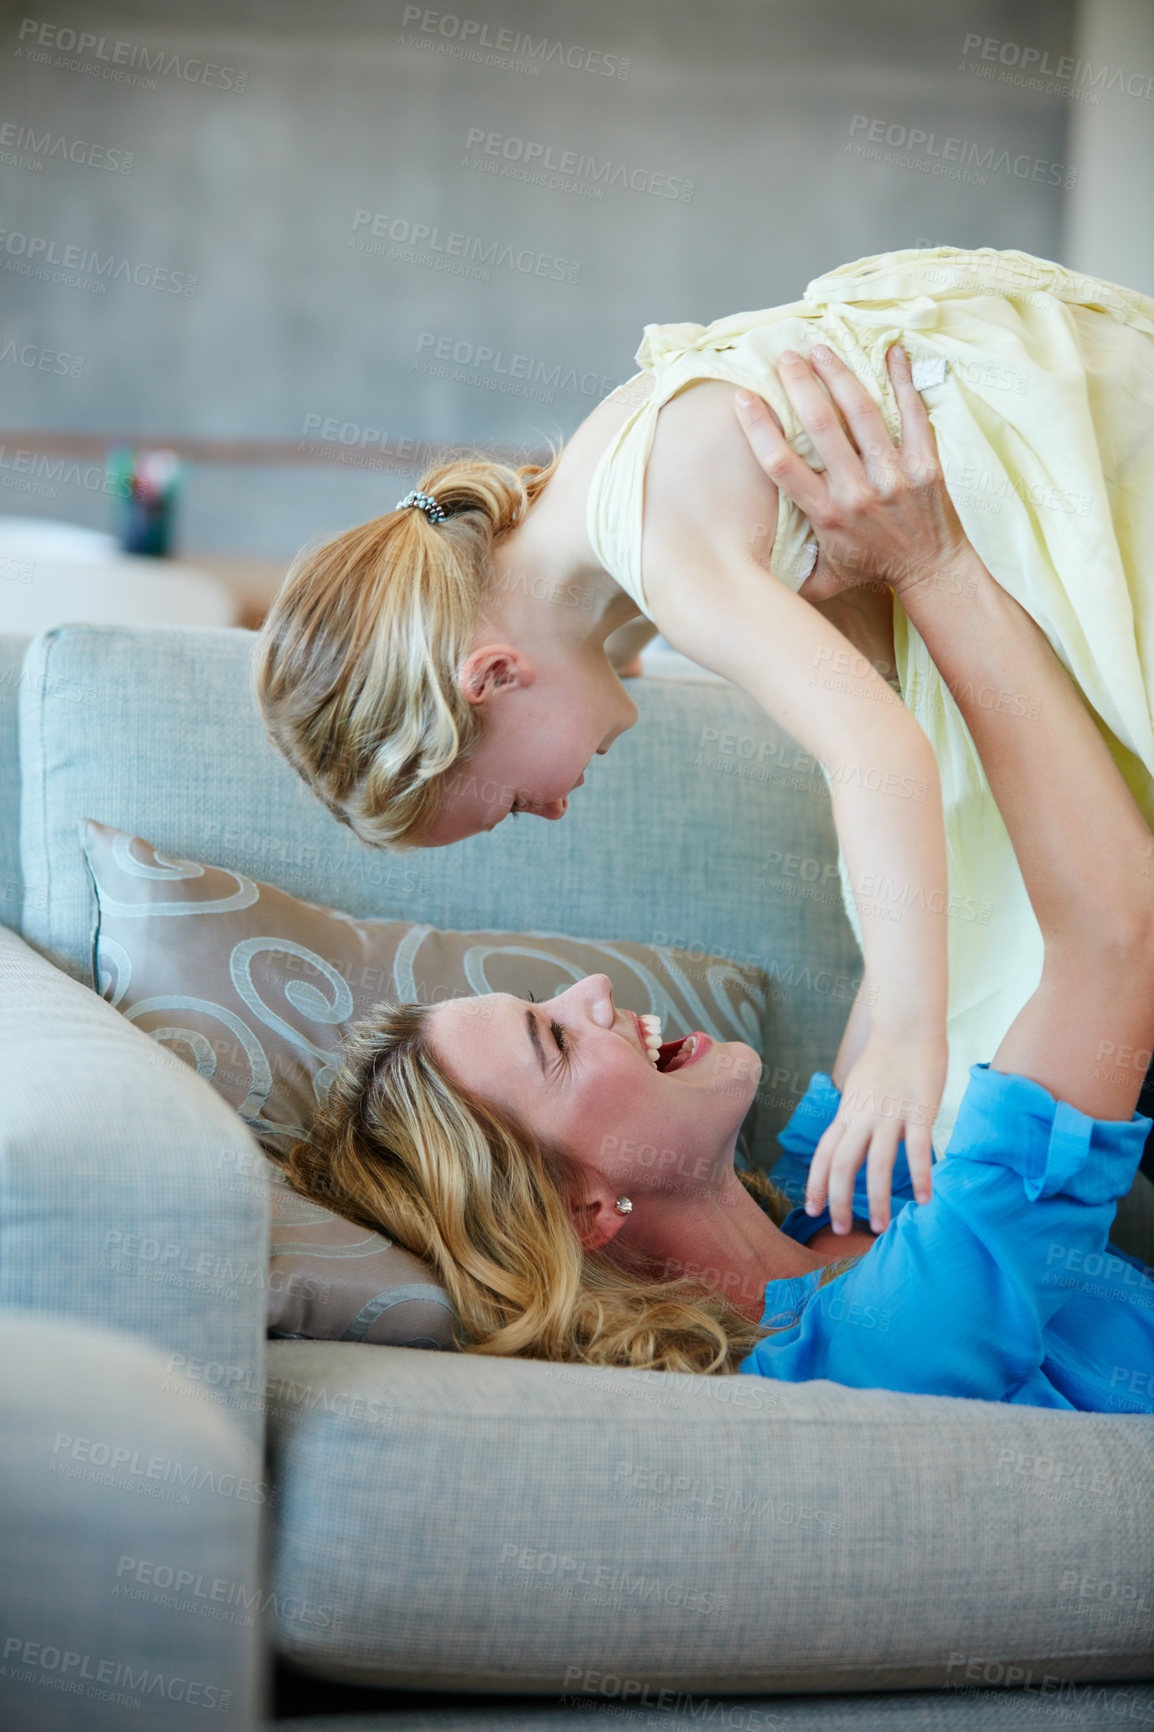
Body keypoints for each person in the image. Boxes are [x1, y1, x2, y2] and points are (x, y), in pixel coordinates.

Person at [282, 359, 1154, 1411]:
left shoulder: (824, 1184)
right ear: (586, 1209)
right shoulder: (872, 1346)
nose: (589, 992)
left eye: (549, 1004)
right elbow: (1115, 936)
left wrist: (854, 581)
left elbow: (955, 876)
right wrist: (933, 568)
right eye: (553, 1041)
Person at [253, 245, 1154, 1168]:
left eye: (517, 804)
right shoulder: (579, 521)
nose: (559, 806)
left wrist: (903, 1039)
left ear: (489, 676)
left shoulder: (662, 549)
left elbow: (877, 758)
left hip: (1080, 469)